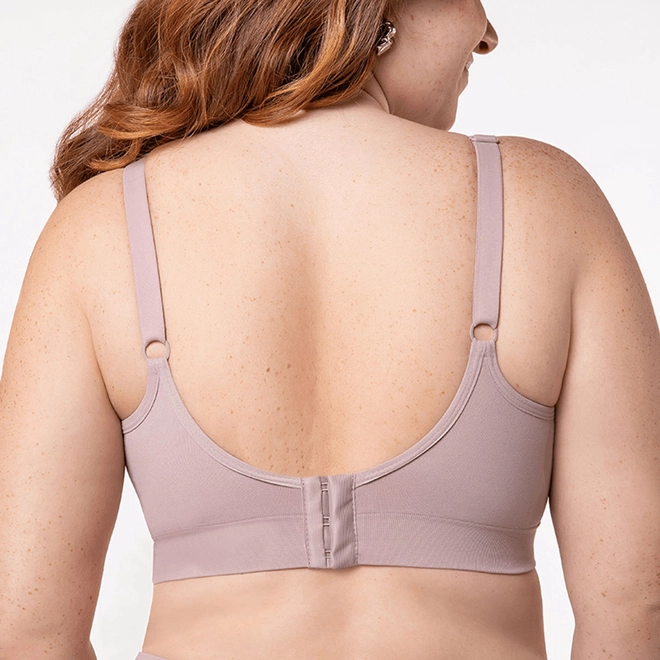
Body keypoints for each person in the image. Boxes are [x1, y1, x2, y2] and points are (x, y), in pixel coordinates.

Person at [1, 0, 659, 658]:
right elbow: (637, 609)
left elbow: (27, 632)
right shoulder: (547, 203)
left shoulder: (98, 231)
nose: (486, 34)